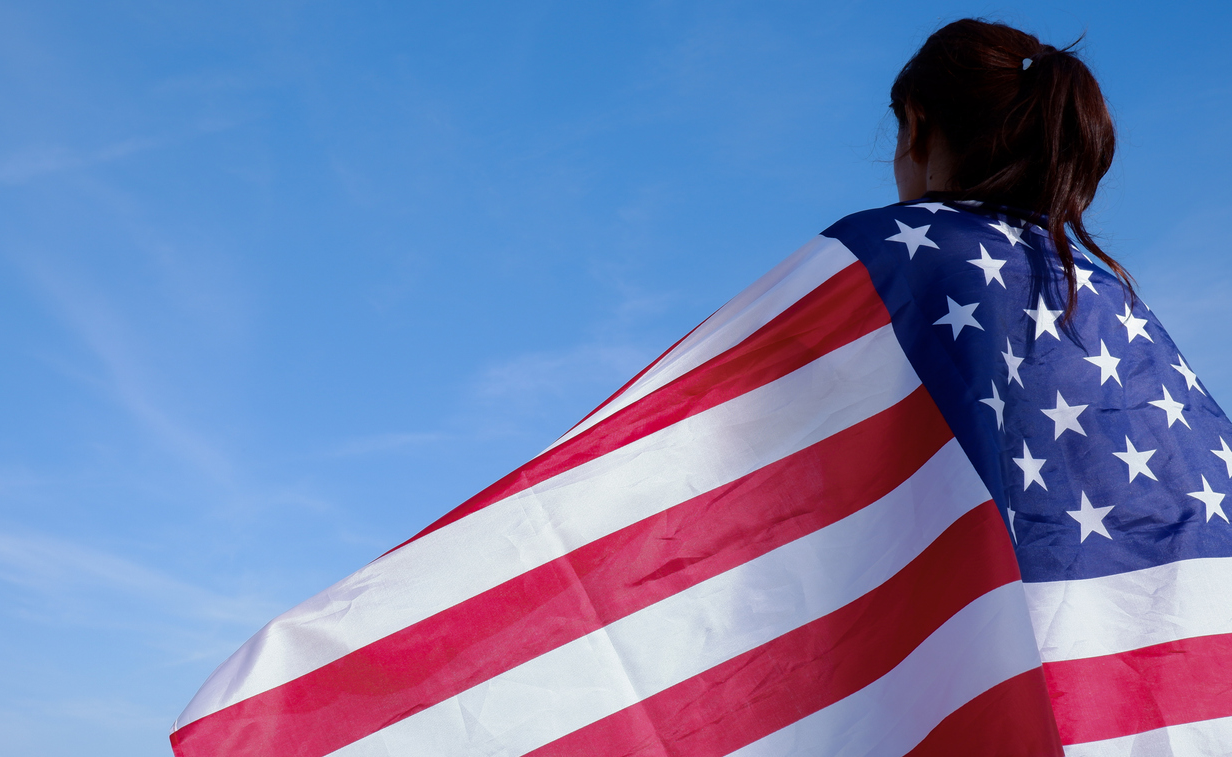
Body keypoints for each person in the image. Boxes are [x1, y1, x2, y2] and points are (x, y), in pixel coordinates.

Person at [172, 19, 1231, 757]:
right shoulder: (1131, 325)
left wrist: (324, 670)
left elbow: (675, 475)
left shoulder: (896, 262)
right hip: (1143, 707)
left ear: (917, 128)